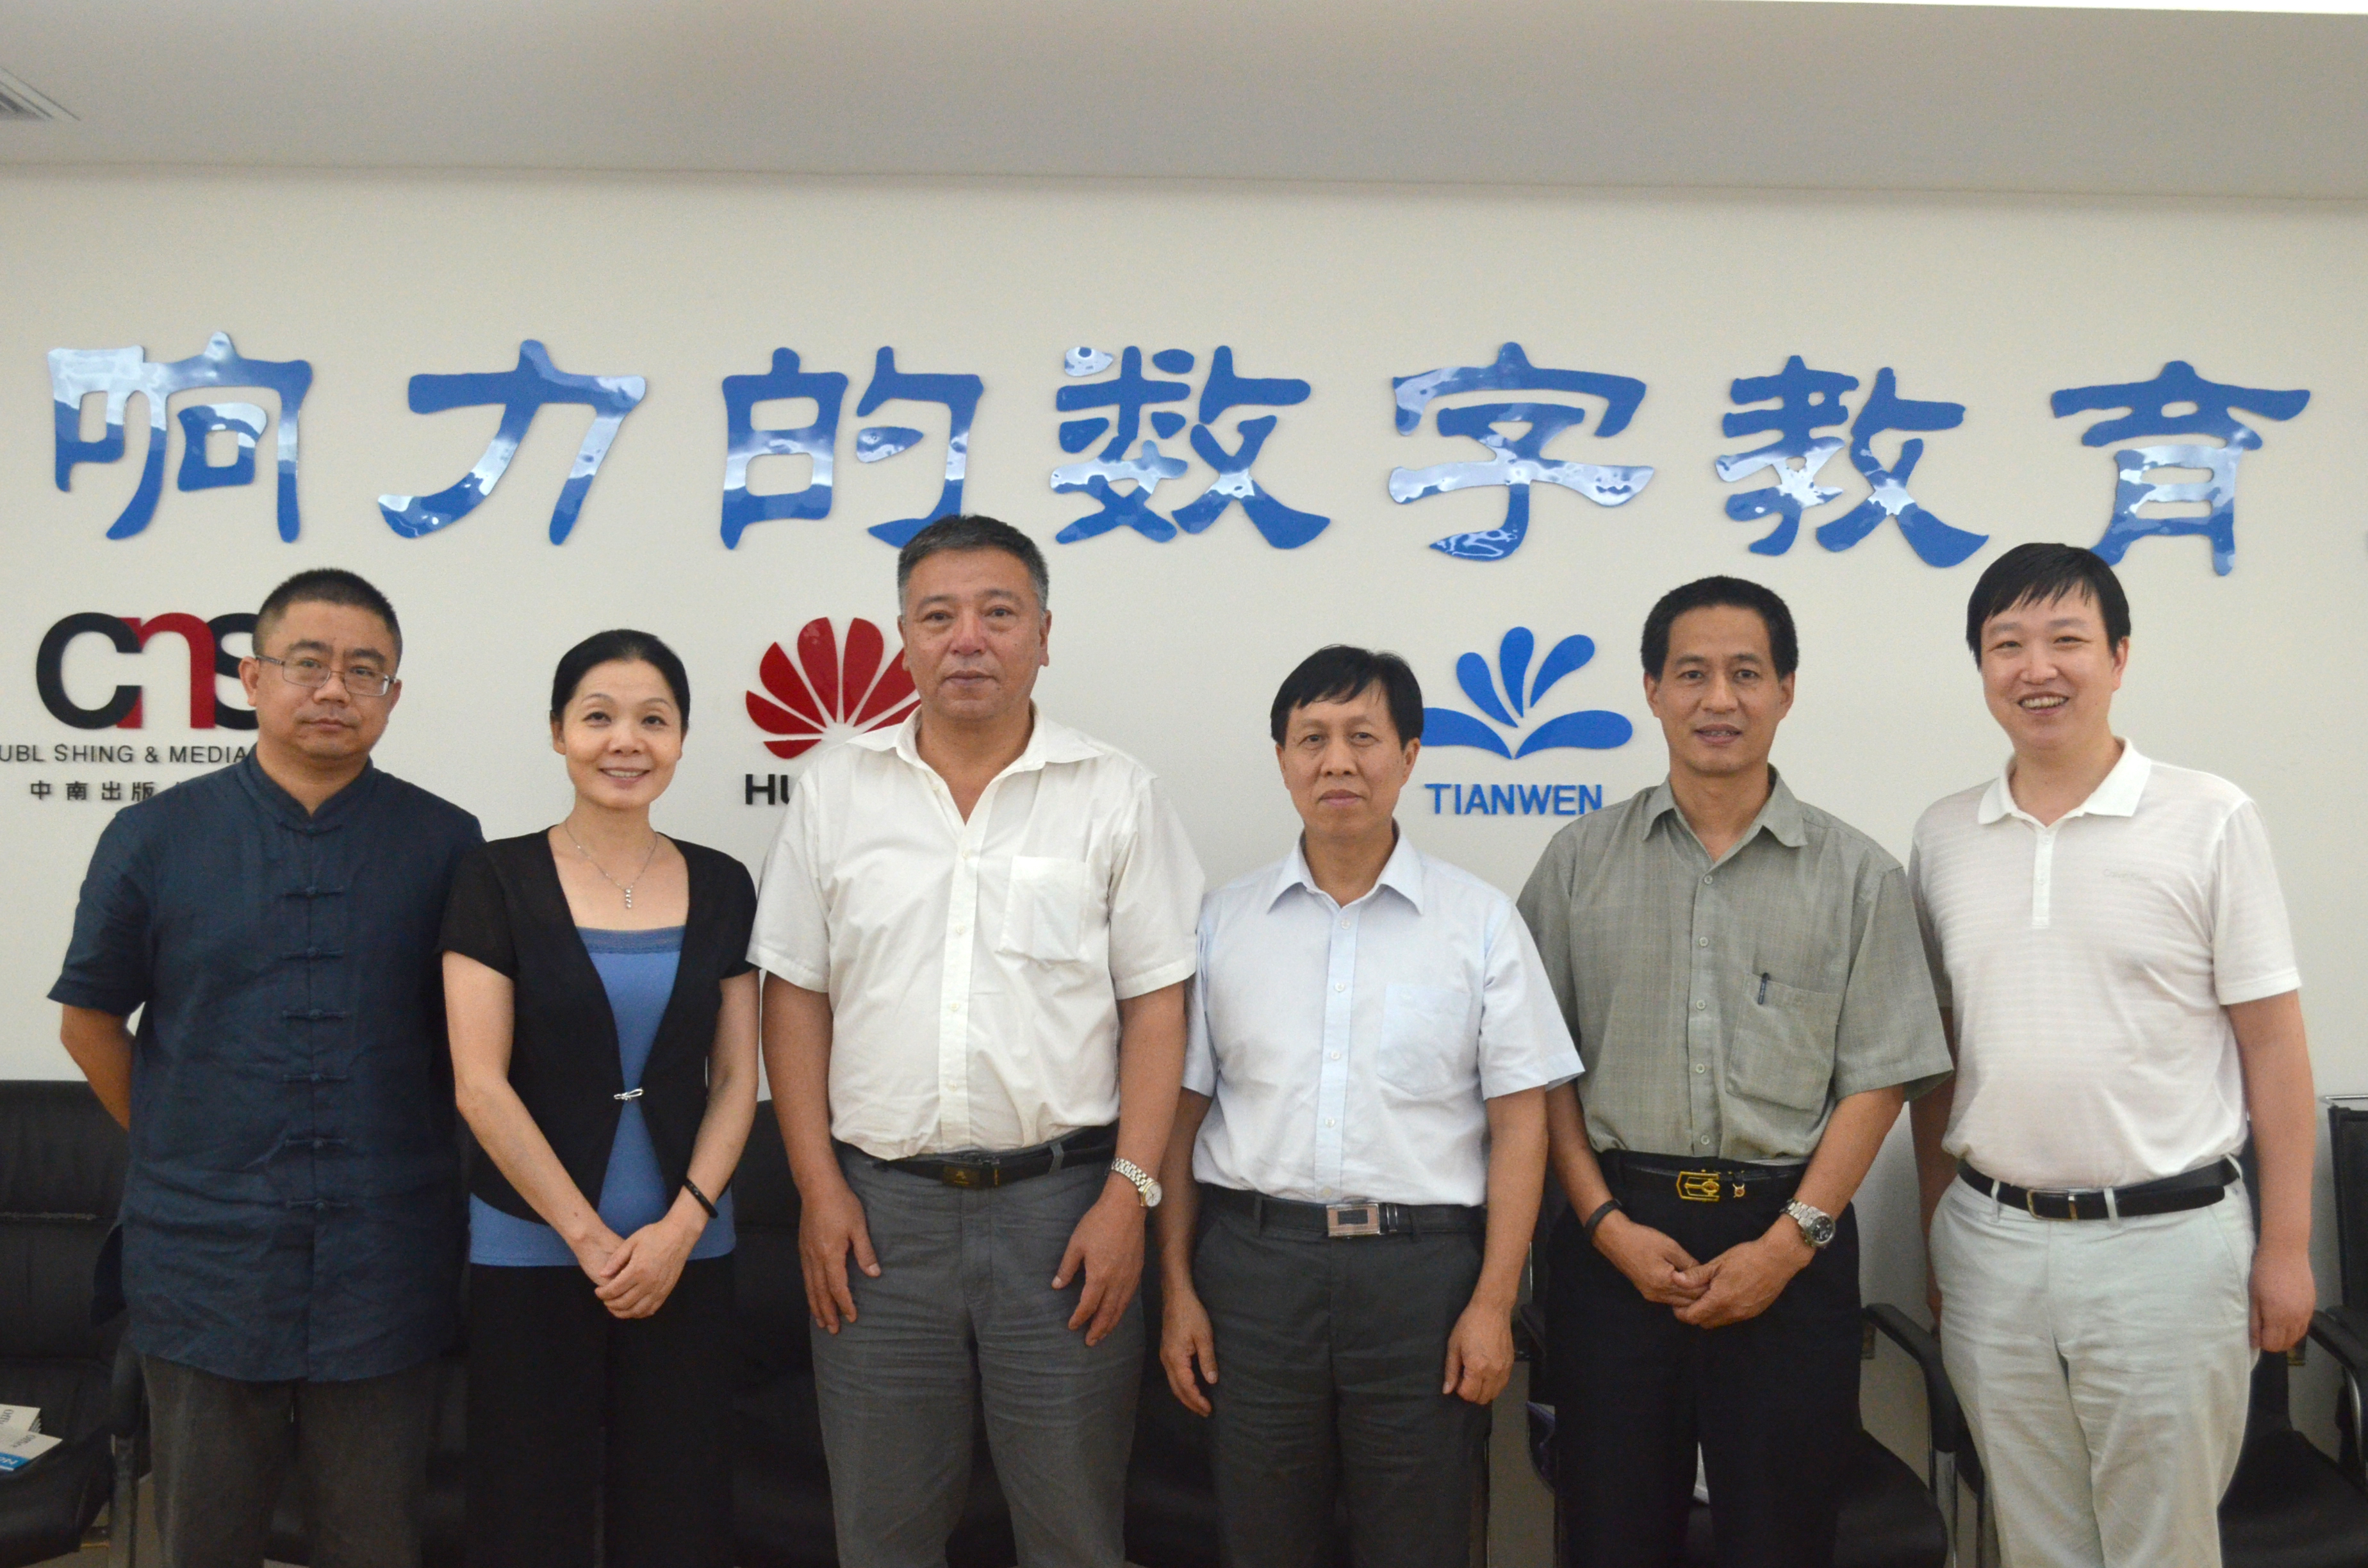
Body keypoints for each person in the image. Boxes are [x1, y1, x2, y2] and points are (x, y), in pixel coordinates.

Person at [750, 514, 1205, 1568]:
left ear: (1043, 634)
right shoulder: (835, 791)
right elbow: (796, 996)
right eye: (938, 616)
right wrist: (817, 1188)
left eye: (998, 614)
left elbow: (1158, 1008)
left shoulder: (1116, 794)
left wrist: (1129, 1197)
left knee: (1074, 1531)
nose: (968, 640)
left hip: (1066, 1215)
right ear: (902, 639)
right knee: (882, 1535)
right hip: (877, 1217)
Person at [1516, 576, 1952, 1568]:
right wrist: (1603, 1225)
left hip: (1789, 1241)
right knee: (1609, 1538)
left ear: (1786, 690)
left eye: (1746, 674)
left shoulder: (1857, 875)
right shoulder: (1579, 863)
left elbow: (1879, 1080)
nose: (1720, 699)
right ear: (1652, 691)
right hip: (1616, 1245)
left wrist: (1789, 1245)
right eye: (1692, 674)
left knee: (1783, 1539)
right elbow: (1540, 1071)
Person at [51, 569, 481, 1568]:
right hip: (209, 1264)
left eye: (364, 670)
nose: (334, 689)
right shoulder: (155, 835)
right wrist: (179, 1138)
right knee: (205, 1539)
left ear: (393, 696)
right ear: (251, 677)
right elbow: (88, 1024)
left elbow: (472, 1046)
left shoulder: (446, 843)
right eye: (308, 663)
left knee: (377, 1540)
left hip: (386, 1261)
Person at [1907, 543, 2315, 1568]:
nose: (2036, 668)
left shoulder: (2209, 817)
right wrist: (1937, 1228)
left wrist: (2286, 1248)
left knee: (2162, 1545)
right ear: (1981, 666)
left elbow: (2274, 1047)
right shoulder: (1945, 835)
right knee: (2033, 1539)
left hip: (2166, 1246)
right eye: (2007, 645)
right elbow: (1939, 1055)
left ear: (2120, 657)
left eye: (2067, 640)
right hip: (1992, 1242)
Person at [1156, 646, 1579, 1568]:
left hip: (1422, 1279)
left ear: (1410, 754)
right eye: (1312, 739)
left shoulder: (1479, 922)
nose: (1337, 762)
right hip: (1255, 1274)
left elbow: (1522, 1126)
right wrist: (1178, 1291)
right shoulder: (1222, 924)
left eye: (1363, 737)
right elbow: (1180, 1122)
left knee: (1421, 1541)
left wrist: (1495, 1304)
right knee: (1262, 1539)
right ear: (1282, 759)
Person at [441, 628, 757, 1568]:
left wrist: (679, 1231)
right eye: (598, 717)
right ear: (557, 733)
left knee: (678, 1511)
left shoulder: (724, 882)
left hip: (688, 1251)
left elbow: (738, 1079)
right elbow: (479, 1085)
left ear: (682, 739)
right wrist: (589, 1240)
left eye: (653, 720)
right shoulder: (494, 877)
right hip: (530, 1245)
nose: (626, 741)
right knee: (526, 1514)